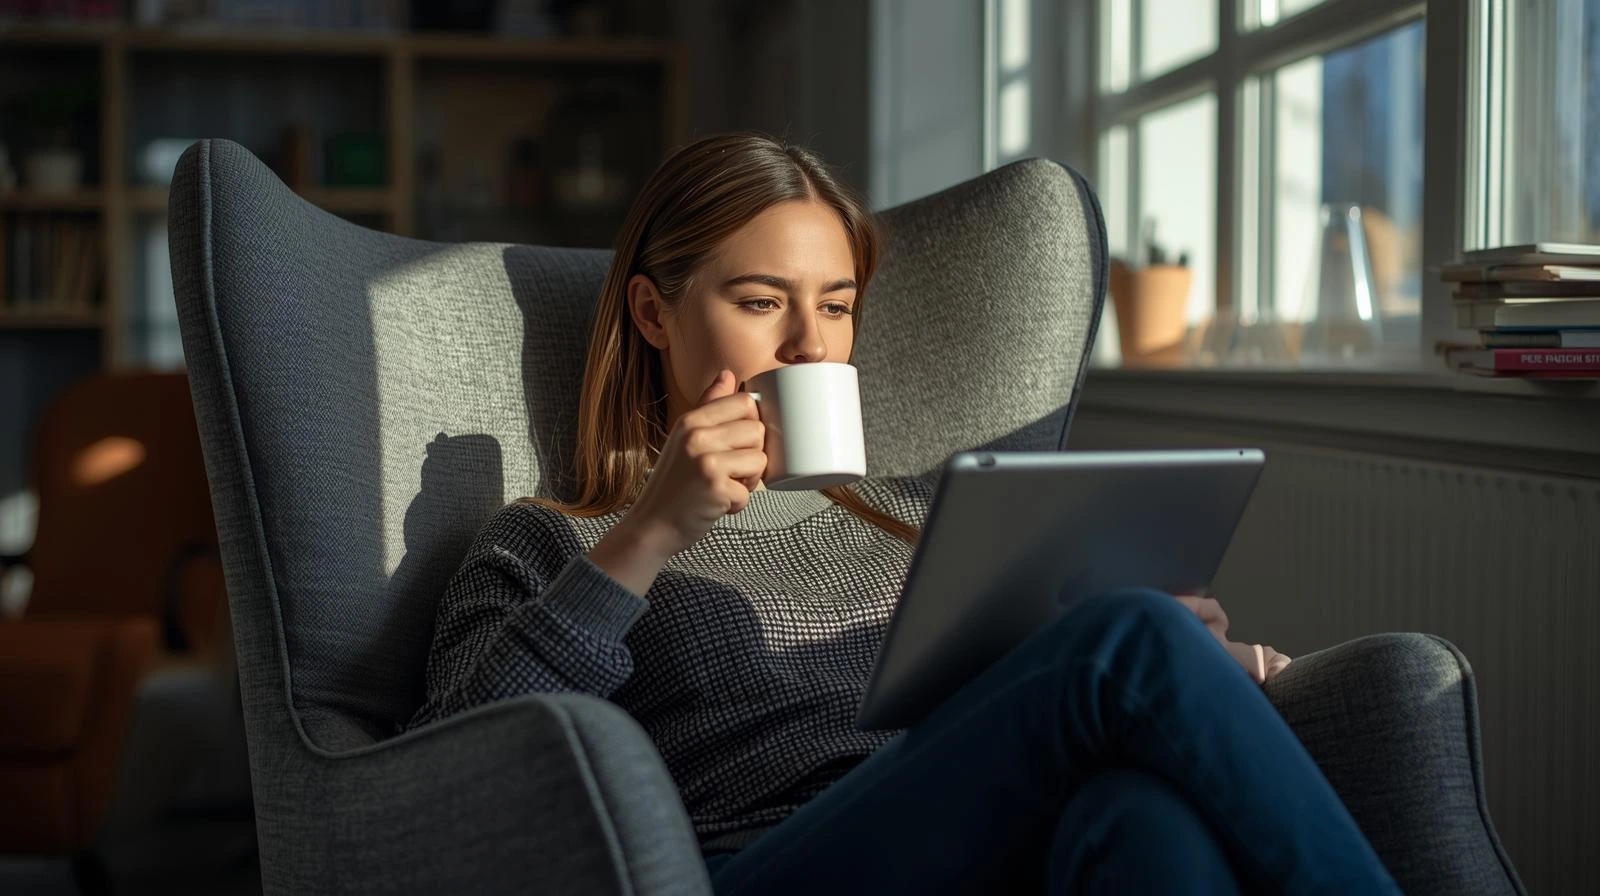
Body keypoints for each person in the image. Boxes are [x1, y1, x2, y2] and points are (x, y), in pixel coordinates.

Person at [407, 132, 1397, 894]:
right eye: (762, 301)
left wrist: (1190, 656)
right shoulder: (553, 537)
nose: (810, 344)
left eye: (835, 306)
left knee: (1141, 815)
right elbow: (443, 786)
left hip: (972, 840)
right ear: (654, 313)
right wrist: (651, 530)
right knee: (1123, 641)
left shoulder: (919, 519)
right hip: (757, 864)